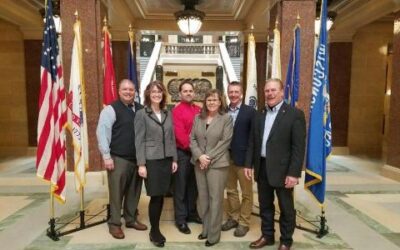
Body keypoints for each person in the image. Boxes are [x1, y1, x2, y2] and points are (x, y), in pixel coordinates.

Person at [245, 78, 306, 250]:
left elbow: (298, 147)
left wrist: (294, 173)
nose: (270, 94)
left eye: (273, 90)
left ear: (281, 92)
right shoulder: (260, 114)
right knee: (265, 205)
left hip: (284, 171)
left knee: (286, 208)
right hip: (262, 167)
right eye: (267, 91)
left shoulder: (294, 114)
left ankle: (286, 241)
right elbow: (252, 142)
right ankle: (267, 236)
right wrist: (249, 164)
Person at [96, 79, 147, 240]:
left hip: (137, 159)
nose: (128, 92)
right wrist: (106, 156)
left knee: (134, 192)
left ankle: (131, 219)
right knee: (117, 193)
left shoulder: (141, 109)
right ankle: (115, 223)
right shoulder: (110, 110)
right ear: (119, 91)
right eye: (125, 89)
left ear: (135, 92)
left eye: (131, 90)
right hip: (118, 159)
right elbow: (102, 133)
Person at [135, 80, 178, 248]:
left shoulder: (168, 113)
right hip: (151, 160)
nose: (156, 94)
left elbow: (171, 137)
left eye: (159, 91)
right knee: (155, 195)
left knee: (161, 194)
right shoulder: (141, 114)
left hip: (166, 160)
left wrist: (174, 159)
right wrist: (141, 164)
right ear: (148, 94)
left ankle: (155, 228)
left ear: (163, 94)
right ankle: (154, 230)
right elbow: (138, 141)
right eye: (153, 91)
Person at [190, 89, 233, 247]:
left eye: (215, 100)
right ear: (205, 102)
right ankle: (206, 229)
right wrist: (200, 156)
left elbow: (225, 141)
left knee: (215, 199)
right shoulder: (198, 118)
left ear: (220, 102)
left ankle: (213, 236)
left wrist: (207, 157)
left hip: (218, 164)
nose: (212, 103)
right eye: (209, 100)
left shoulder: (226, 118)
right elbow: (192, 138)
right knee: (203, 199)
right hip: (199, 163)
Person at [221, 81, 255, 237]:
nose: (233, 94)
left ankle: (244, 222)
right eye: (231, 92)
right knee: (231, 191)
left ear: (241, 93)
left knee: (247, 193)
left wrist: (250, 163)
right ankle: (234, 217)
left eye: (236, 92)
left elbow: (252, 139)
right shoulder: (223, 112)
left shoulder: (250, 112)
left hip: (244, 161)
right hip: (226, 159)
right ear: (228, 93)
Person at [172, 81, 202, 235]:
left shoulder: (199, 110)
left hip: (197, 155)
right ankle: (181, 219)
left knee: (194, 186)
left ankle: (192, 213)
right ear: (180, 94)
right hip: (183, 154)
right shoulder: (176, 111)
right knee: (181, 188)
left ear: (194, 93)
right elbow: (181, 136)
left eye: (191, 90)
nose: (188, 93)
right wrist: (197, 151)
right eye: (185, 91)